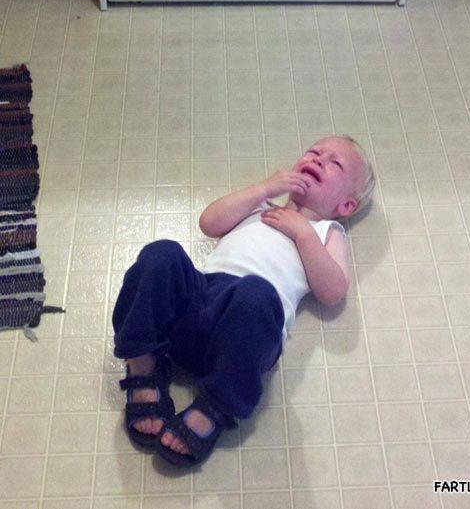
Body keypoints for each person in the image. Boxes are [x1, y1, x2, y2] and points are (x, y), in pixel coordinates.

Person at [112, 134, 375, 466]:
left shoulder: (326, 231)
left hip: (243, 332)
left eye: (334, 163)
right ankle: (143, 365)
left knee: (257, 293)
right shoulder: (261, 206)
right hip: (199, 298)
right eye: (314, 152)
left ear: (346, 206)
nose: (318, 159)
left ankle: (214, 406)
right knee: (162, 254)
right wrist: (264, 189)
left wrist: (303, 232)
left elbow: (333, 291)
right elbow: (209, 223)